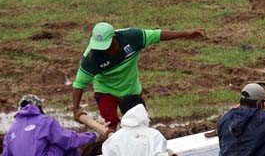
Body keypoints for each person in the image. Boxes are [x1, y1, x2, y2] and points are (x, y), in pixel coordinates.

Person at [71, 22, 206, 129]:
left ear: (114, 39)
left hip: (131, 89)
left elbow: (158, 35)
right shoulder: (91, 57)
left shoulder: (132, 37)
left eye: (105, 45)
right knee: (110, 125)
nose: (102, 49)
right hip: (106, 91)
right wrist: (76, 109)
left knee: (140, 123)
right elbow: (79, 84)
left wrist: (187, 33)